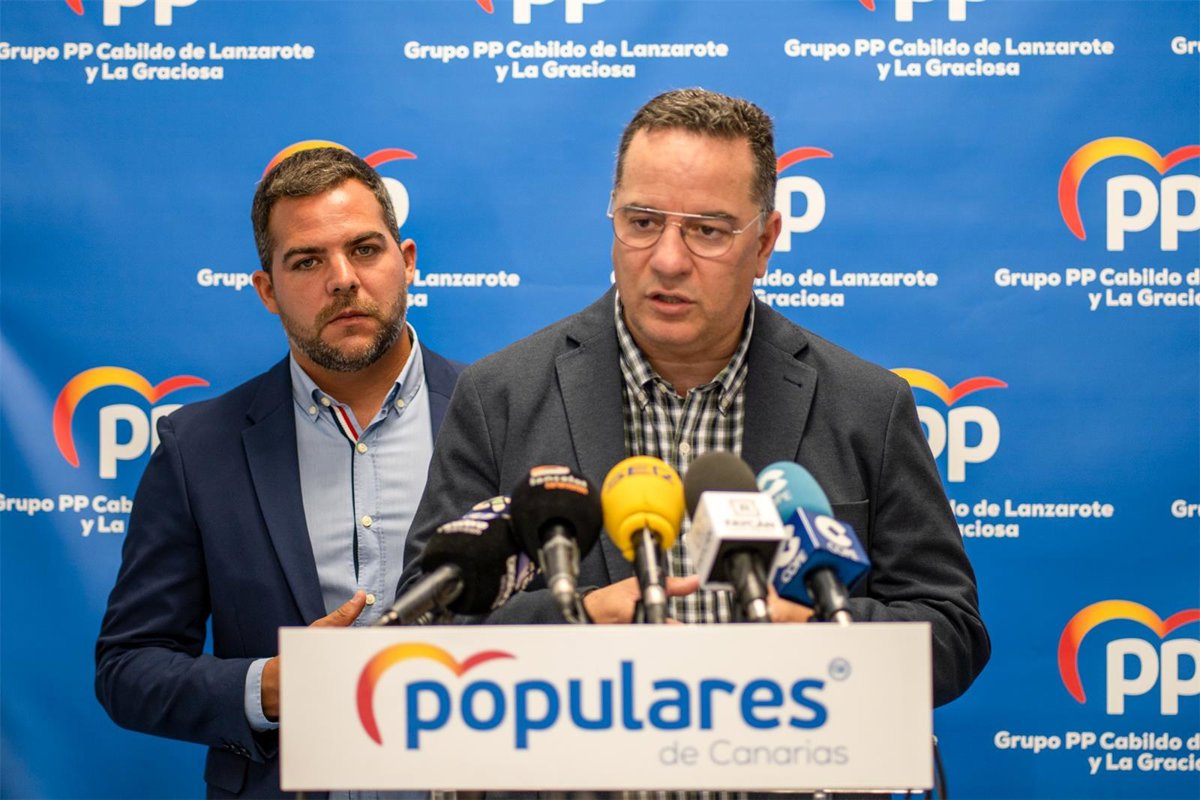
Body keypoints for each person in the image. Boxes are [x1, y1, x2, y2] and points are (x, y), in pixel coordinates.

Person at [399, 89, 988, 706]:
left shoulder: (867, 406)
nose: (668, 260)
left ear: (764, 245)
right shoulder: (501, 395)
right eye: (642, 222)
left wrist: (819, 633)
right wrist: (578, 622)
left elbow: (950, 633)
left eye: (708, 231)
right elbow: (424, 614)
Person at [96, 146, 463, 797]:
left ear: (407, 262)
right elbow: (128, 668)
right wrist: (267, 685)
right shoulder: (197, 449)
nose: (343, 279)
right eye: (307, 261)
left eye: (365, 249)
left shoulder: (500, 411)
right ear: (267, 290)